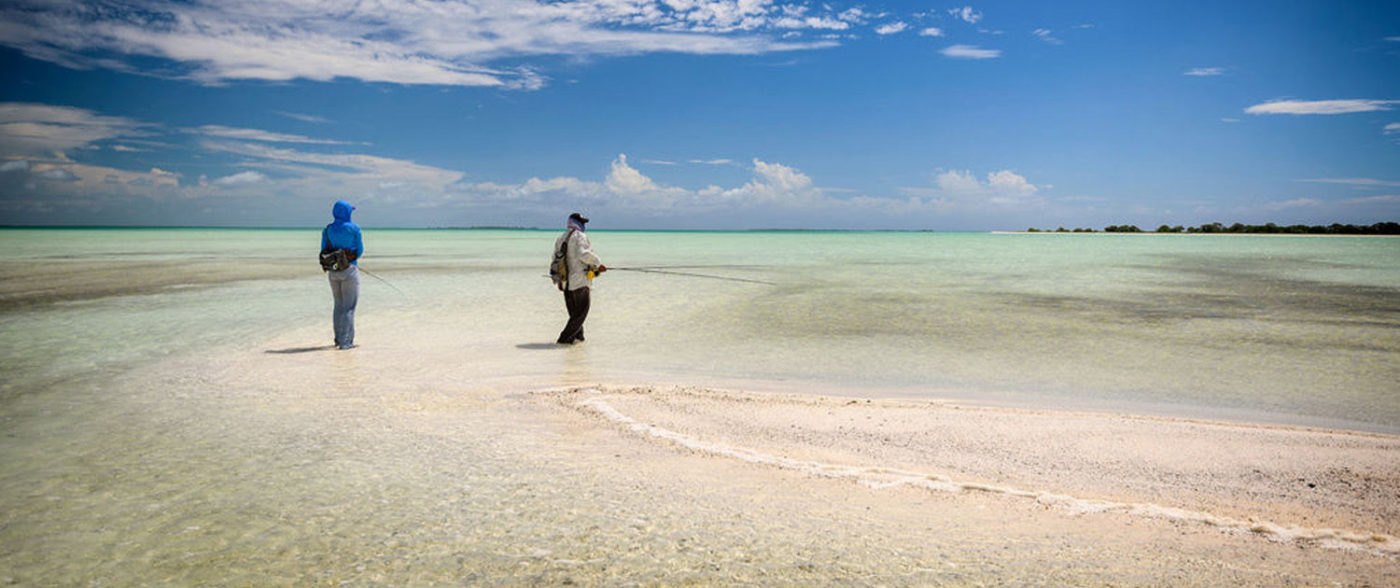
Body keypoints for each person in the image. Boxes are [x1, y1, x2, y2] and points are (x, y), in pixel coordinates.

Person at [551, 212, 606, 344]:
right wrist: (598, 264)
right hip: (580, 282)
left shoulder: (561, 238)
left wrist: (558, 280)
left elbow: (554, 259)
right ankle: (563, 340)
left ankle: (578, 339)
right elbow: (583, 254)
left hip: (565, 282)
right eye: (582, 222)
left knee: (574, 314)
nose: (583, 224)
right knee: (581, 313)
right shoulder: (580, 236)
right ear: (575, 222)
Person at [321, 200, 364, 350]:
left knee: (338, 306)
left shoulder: (327, 230)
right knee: (349, 308)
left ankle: (338, 339)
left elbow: (323, 250)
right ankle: (346, 342)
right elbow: (359, 251)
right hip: (350, 271)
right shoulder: (354, 228)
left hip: (333, 272)